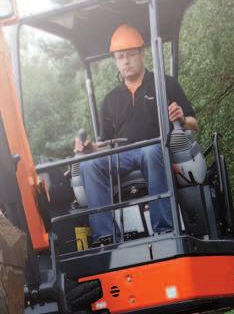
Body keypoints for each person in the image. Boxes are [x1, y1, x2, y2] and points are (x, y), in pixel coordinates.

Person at [74, 24, 197, 245]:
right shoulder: (111, 99)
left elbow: (194, 124)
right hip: (123, 154)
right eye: (120, 57)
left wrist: (180, 119)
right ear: (115, 60)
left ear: (141, 54)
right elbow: (104, 143)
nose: (126, 61)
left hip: (157, 148)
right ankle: (106, 236)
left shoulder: (164, 83)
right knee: (88, 165)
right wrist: (89, 148)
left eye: (130, 55)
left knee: (151, 151)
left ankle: (164, 229)